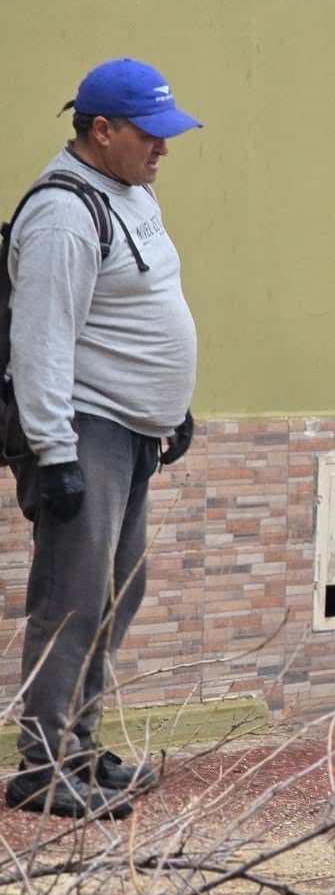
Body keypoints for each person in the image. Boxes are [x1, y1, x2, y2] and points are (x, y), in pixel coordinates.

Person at [3, 58, 201, 819]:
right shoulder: (63, 214)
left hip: (131, 431)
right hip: (85, 431)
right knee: (73, 600)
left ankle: (80, 747)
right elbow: (41, 342)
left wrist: (169, 408)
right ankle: (44, 768)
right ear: (101, 130)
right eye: (150, 135)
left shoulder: (129, 194)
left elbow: (140, 311)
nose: (163, 149)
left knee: (117, 594)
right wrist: (53, 452)